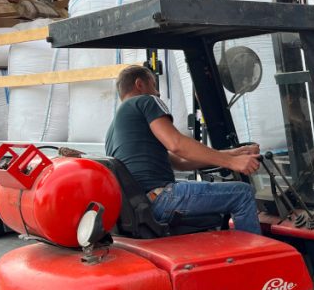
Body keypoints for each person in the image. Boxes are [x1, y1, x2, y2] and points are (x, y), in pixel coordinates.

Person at [105, 64, 262, 234]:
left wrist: (233, 153)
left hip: (141, 208)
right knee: (242, 193)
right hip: (162, 198)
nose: (157, 93)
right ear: (140, 84)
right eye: (154, 85)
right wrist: (232, 162)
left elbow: (179, 162)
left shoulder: (114, 129)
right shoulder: (146, 101)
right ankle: (259, 259)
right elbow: (176, 144)